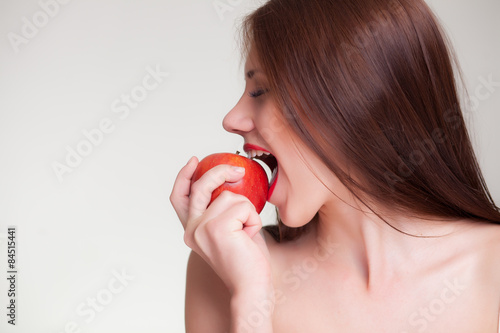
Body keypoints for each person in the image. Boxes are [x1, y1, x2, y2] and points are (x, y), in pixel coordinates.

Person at [170, 0, 500, 332]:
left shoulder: (493, 265)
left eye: (260, 90)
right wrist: (250, 299)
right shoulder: (224, 269)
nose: (232, 120)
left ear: (357, 98)